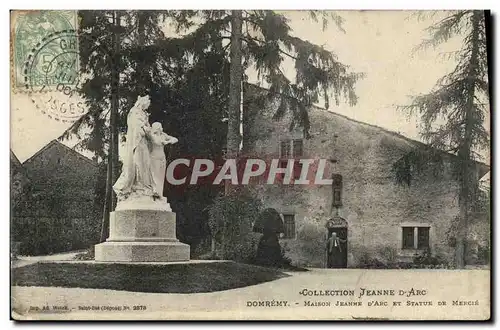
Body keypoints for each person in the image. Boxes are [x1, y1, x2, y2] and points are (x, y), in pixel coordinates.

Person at [113, 95, 156, 201]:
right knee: (138, 163)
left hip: (144, 142)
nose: (147, 106)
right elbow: (137, 127)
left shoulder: (144, 114)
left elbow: (146, 127)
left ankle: (144, 187)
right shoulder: (134, 112)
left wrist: (147, 130)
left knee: (145, 164)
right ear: (142, 102)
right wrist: (146, 129)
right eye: (147, 104)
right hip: (137, 142)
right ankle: (137, 186)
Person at [149, 122, 178, 197]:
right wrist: (166, 142)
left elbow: (175, 139)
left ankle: (160, 193)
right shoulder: (152, 135)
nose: (161, 129)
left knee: (161, 175)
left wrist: (170, 141)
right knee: (155, 175)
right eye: (160, 127)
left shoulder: (163, 135)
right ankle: (154, 191)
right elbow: (157, 142)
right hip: (154, 157)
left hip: (162, 157)